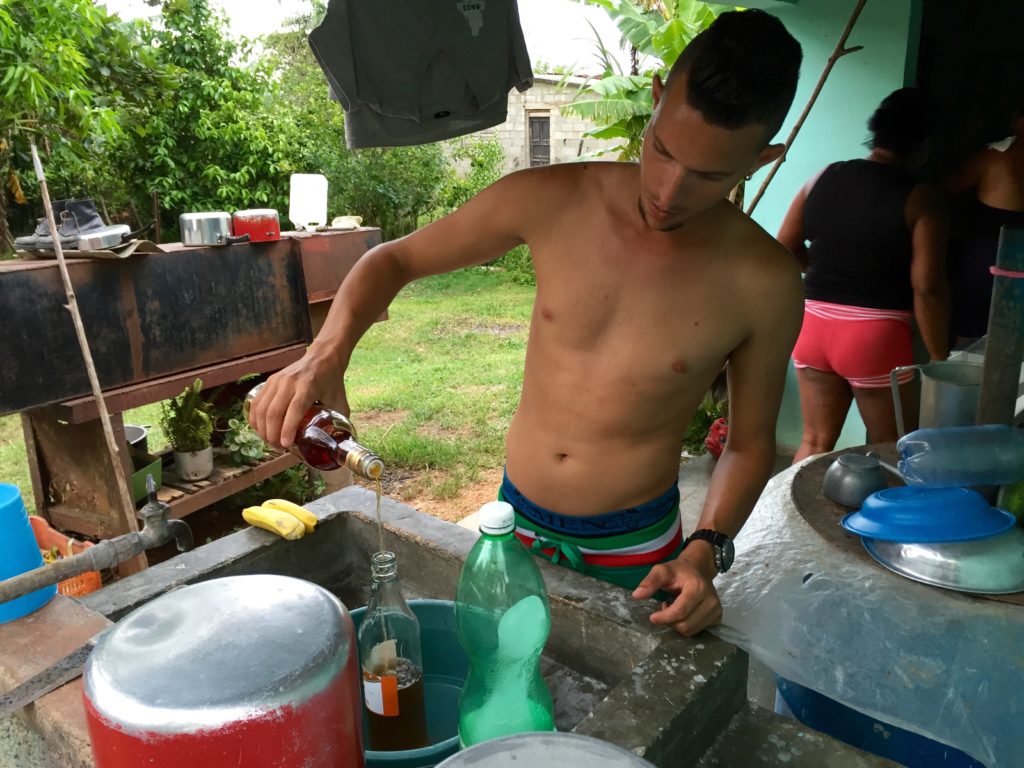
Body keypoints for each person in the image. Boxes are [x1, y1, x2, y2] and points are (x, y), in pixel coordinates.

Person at [249, 9, 804, 637]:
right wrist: (326, 353)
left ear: (763, 158)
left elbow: (752, 444)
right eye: (662, 149)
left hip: (639, 550)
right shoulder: (554, 200)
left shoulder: (765, 281)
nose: (669, 191)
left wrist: (705, 550)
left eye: (708, 176)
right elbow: (394, 258)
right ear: (654, 100)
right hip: (515, 525)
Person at [777, 88, 950, 463]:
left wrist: (827, 273)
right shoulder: (921, 199)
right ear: (924, 146)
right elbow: (927, 287)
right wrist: (939, 356)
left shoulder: (823, 175)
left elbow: (785, 246)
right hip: (875, 335)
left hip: (813, 324)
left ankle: (786, 518)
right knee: (890, 449)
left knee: (814, 442)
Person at [945, 97, 1024, 347]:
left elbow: (947, 186)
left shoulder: (993, 158)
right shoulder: (994, 156)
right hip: (1003, 261)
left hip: (987, 262)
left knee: (968, 338)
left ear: (1017, 120)